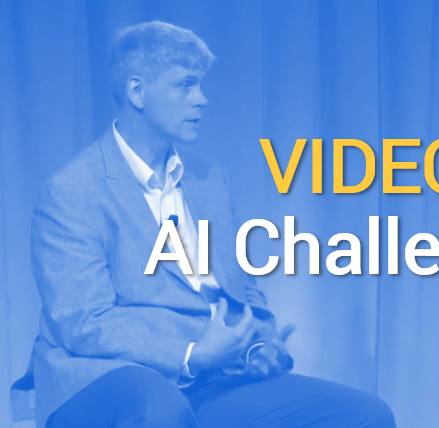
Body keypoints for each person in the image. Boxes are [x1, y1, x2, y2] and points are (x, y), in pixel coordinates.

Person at [28, 21, 395, 428]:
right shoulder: (72, 191)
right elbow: (85, 322)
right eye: (185, 86)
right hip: (108, 380)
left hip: (207, 378)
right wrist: (191, 353)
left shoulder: (209, 179)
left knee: (367, 415)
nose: (202, 99)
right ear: (137, 92)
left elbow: (240, 286)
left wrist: (256, 343)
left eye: (200, 85)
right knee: (161, 410)